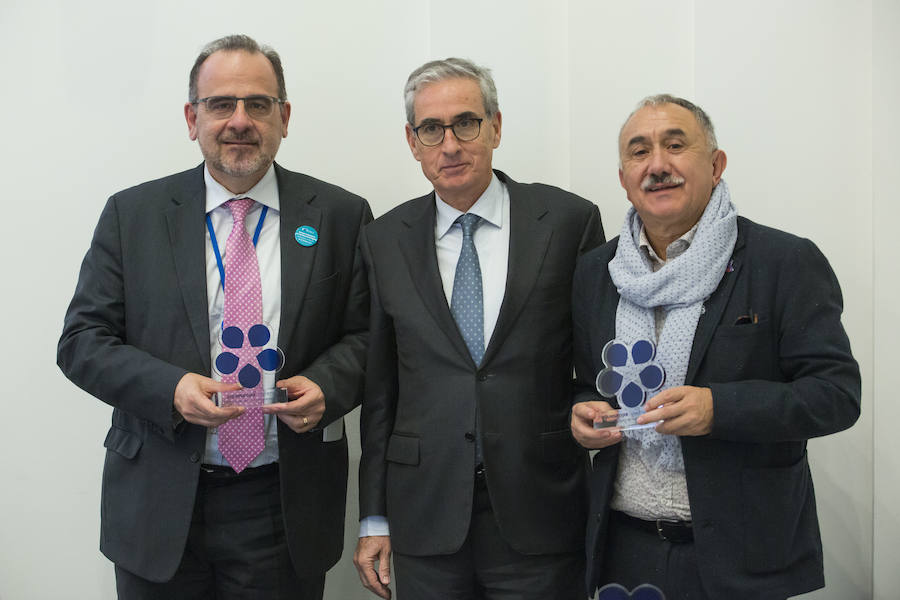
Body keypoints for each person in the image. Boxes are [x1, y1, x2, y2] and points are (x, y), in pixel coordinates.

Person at [57, 34, 371, 599]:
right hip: (158, 497)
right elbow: (82, 341)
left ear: (284, 116)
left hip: (283, 504)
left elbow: (369, 335)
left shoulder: (342, 215)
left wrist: (330, 385)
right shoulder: (134, 215)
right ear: (191, 117)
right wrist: (172, 388)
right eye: (221, 104)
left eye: (258, 104)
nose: (239, 120)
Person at [570, 94, 861, 599]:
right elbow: (580, 383)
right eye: (639, 153)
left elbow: (836, 395)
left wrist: (718, 408)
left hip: (740, 556)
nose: (657, 165)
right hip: (623, 547)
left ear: (716, 163)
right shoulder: (598, 271)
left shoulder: (782, 261)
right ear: (623, 179)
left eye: (675, 145)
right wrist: (581, 414)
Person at [352, 58, 604, 600]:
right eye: (431, 129)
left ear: (495, 126)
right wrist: (373, 517)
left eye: (466, 123)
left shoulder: (567, 223)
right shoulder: (383, 239)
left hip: (539, 507)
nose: (450, 145)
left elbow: (595, 363)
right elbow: (380, 393)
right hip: (425, 514)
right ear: (412, 140)